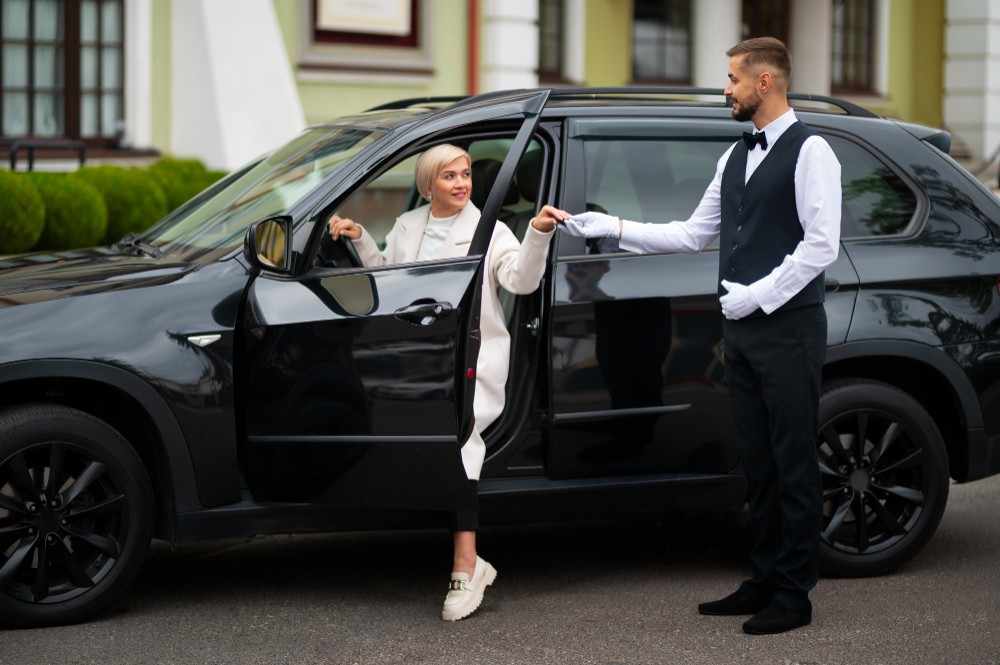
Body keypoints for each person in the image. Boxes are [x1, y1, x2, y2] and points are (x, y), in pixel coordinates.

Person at [558, 37, 842, 635]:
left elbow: (821, 245)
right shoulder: (733, 158)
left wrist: (757, 295)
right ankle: (763, 577)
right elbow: (690, 235)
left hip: (788, 330)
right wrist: (607, 226)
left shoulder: (813, 151)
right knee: (757, 463)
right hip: (739, 334)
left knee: (794, 464)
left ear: (764, 83)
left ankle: (794, 594)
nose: (726, 90)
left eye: (733, 79)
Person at [327, 143, 565, 621]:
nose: (461, 184)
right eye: (449, 177)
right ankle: (467, 558)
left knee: (459, 443)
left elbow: (520, 282)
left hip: (475, 360)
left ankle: (465, 564)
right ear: (428, 184)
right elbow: (386, 278)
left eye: (465, 175)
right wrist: (358, 238)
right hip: (425, 359)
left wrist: (536, 234)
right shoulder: (408, 226)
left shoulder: (491, 229)